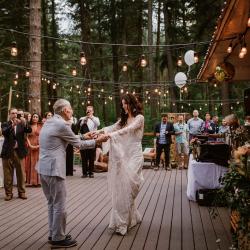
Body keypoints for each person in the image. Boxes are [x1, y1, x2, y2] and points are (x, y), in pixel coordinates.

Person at [36, 99, 108, 248]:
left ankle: (54, 233)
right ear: (64, 111)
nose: (72, 111)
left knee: (52, 203)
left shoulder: (49, 122)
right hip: (54, 170)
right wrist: (97, 141)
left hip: (43, 168)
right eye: (70, 109)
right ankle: (58, 238)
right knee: (60, 205)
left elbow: (68, 138)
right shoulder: (61, 124)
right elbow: (78, 145)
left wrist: (84, 135)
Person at [96, 93, 144, 236]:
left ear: (132, 104)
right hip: (124, 156)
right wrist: (96, 132)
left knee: (130, 186)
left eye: (125, 103)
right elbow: (111, 127)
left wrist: (110, 136)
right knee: (122, 188)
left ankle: (126, 219)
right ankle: (123, 222)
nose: (123, 106)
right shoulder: (122, 120)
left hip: (135, 155)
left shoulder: (139, 118)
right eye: (122, 103)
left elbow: (128, 130)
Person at [1, 108, 32, 201]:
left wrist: (25, 122)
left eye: (16, 113)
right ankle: (8, 193)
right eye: (13, 113)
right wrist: (13, 125)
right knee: (7, 174)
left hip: (19, 152)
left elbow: (29, 130)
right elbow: (4, 132)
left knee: (21, 173)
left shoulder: (22, 124)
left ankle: (21, 192)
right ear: (9, 114)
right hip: (7, 152)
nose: (15, 115)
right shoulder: (5, 124)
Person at [78, 106, 100, 178]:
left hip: (92, 140)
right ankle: (84, 173)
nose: (89, 112)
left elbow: (98, 124)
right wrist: (85, 120)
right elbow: (79, 126)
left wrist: (91, 117)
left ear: (93, 111)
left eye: (90, 111)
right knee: (84, 157)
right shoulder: (82, 118)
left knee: (91, 157)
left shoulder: (95, 118)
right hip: (83, 140)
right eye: (88, 110)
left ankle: (91, 172)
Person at [25, 113, 42, 187]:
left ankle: (38, 181)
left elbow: (44, 136)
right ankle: (31, 181)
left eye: (36, 117)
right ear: (31, 118)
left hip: (39, 146)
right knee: (31, 163)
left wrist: (39, 145)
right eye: (33, 117)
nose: (35, 118)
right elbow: (26, 137)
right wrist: (30, 145)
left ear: (38, 118)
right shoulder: (28, 126)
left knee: (38, 163)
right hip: (30, 146)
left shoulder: (41, 126)